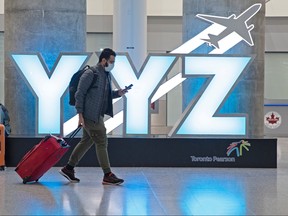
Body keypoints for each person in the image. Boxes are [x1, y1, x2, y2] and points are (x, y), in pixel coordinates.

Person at [59, 48, 127, 185]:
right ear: (103, 60)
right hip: (90, 115)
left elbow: (105, 95)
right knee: (102, 141)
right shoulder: (91, 73)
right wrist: (80, 116)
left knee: (87, 141)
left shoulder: (107, 75)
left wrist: (118, 93)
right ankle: (107, 174)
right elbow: (79, 94)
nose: (113, 64)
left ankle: (69, 168)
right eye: (111, 61)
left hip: (98, 115)